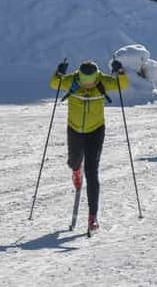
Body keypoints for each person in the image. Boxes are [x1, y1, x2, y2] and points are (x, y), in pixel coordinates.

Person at [51, 60, 129, 233]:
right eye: (85, 82)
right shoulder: (71, 80)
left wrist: (120, 71)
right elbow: (54, 83)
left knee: (92, 171)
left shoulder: (103, 81)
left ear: (96, 77)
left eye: (91, 82)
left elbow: (122, 83)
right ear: (80, 77)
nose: (88, 86)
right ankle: (75, 171)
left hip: (96, 130)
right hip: (75, 129)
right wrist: (58, 72)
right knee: (74, 162)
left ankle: (93, 217)